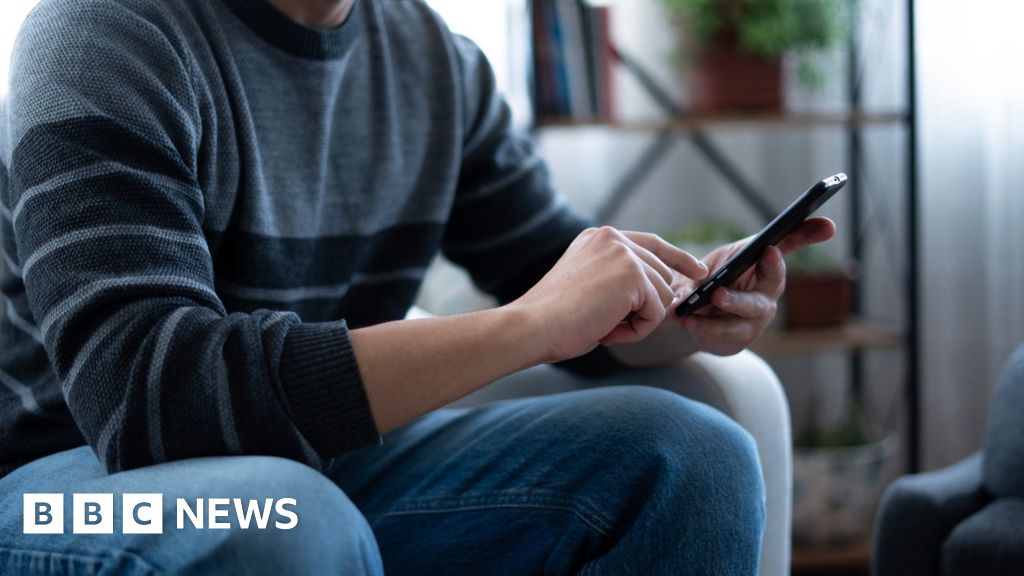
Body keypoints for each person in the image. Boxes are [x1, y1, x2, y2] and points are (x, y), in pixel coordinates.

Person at [0, 0, 835, 573]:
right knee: (287, 520)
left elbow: (557, 284)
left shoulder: (432, 60)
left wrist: (685, 304)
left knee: (692, 456)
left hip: (315, 462)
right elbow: (152, 403)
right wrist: (531, 324)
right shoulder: (101, 35)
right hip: (56, 490)